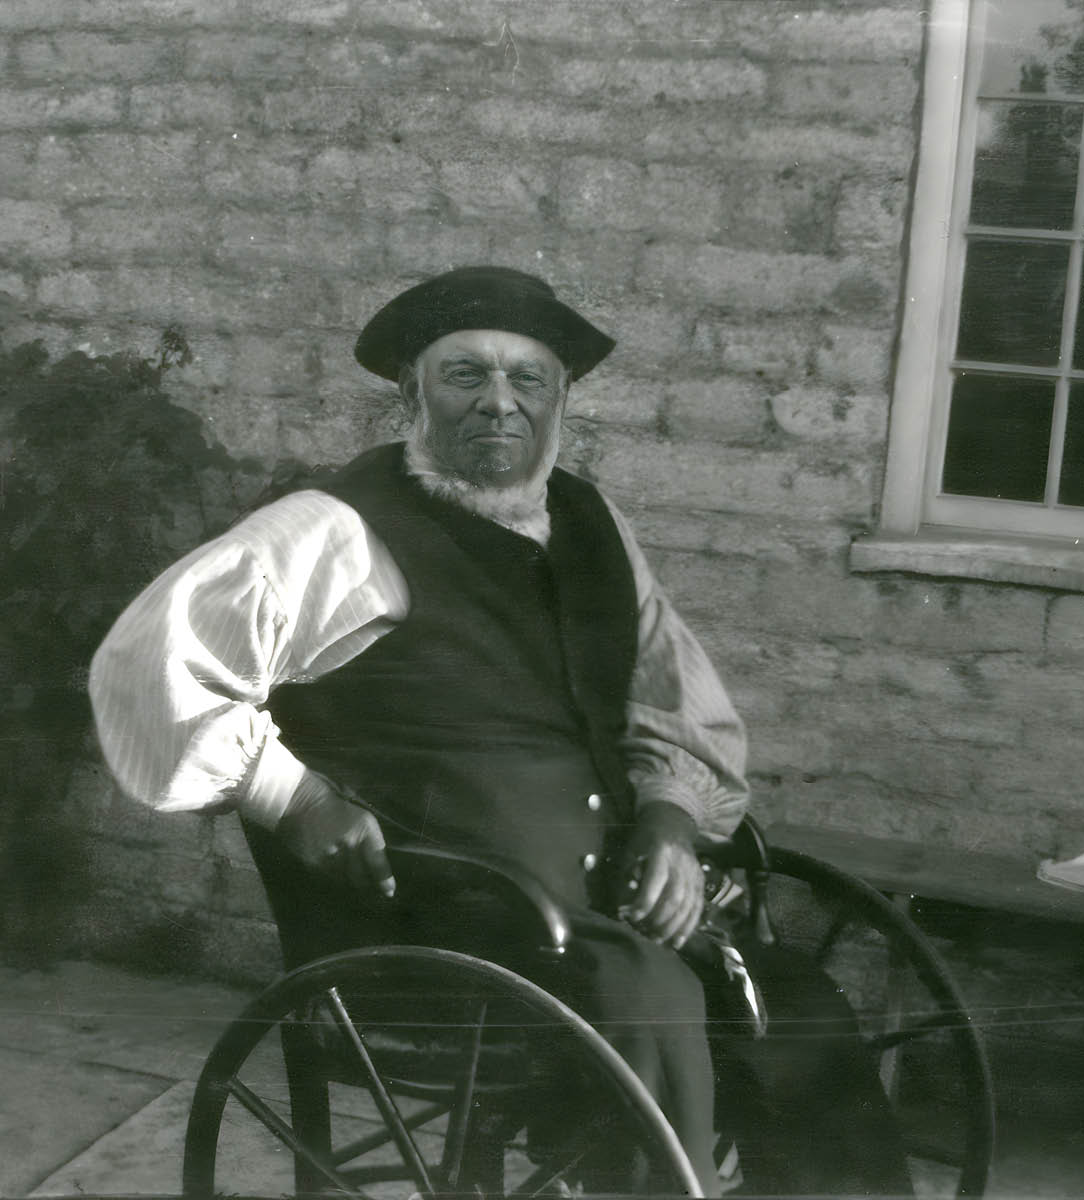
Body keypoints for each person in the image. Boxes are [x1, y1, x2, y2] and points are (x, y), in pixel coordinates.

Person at [89, 266, 911, 1196]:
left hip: (607, 901)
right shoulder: (338, 530)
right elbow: (147, 662)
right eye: (466, 375)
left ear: (563, 400)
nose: (499, 404)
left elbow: (672, 696)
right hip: (446, 921)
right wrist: (293, 793)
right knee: (651, 1002)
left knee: (799, 1005)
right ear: (412, 393)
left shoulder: (593, 526)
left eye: (528, 381)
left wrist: (674, 824)